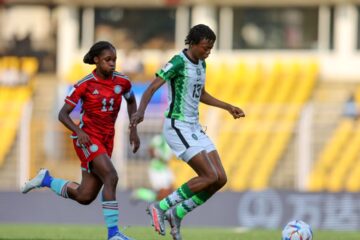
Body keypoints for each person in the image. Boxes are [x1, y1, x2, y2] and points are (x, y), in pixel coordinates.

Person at [130, 24, 245, 240]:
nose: (208, 52)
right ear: (192, 43)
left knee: (220, 179)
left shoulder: (202, 64)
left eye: (211, 48)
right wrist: (140, 112)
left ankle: (177, 214)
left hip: (194, 127)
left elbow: (200, 93)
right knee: (208, 175)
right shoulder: (178, 62)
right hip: (177, 125)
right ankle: (160, 207)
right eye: (205, 47)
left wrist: (227, 106)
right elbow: (152, 87)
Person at [21, 41, 140, 240]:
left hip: (107, 139)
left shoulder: (122, 82)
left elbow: (131, 101)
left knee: (85, 196)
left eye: (114, 60)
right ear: (96, 60)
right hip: (87, 138)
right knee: (111, 176)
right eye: (108, 60)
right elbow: (62, 114)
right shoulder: (85, 84)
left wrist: (133, 129)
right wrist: (79, 131)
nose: (112, 64)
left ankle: (47, 179)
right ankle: (114, 235)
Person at [131, 134, 174, 203]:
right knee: (163, 194)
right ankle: (141, 193)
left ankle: (141, 193)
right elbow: (151, 150)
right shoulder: (160, 139)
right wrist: (158, 156)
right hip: (156, 169)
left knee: (170, 191)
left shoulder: (173, 142)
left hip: (165, 168)